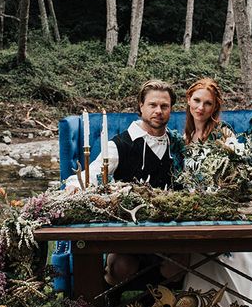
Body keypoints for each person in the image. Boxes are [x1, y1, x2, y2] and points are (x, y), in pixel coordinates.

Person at [65, 79, 182, 285]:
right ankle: (113, 306)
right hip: (127, 235)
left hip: (167, 235)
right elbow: (91, 174)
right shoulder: (119, 145)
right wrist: (74, 185)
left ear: (171, 109)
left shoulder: (177, 145)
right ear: (141, 106)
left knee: (180, 264)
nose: (159, 111)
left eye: (164, 106)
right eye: (153, 105)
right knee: (122, 267)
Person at [181, 77, 252, 307]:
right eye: (197, 101)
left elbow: (238, 173)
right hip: (197, 209)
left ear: (215, 107)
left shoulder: (223, 134)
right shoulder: (186, 135)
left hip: (221, 207)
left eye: (207, 104)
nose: (200, 108)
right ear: (188, 101)